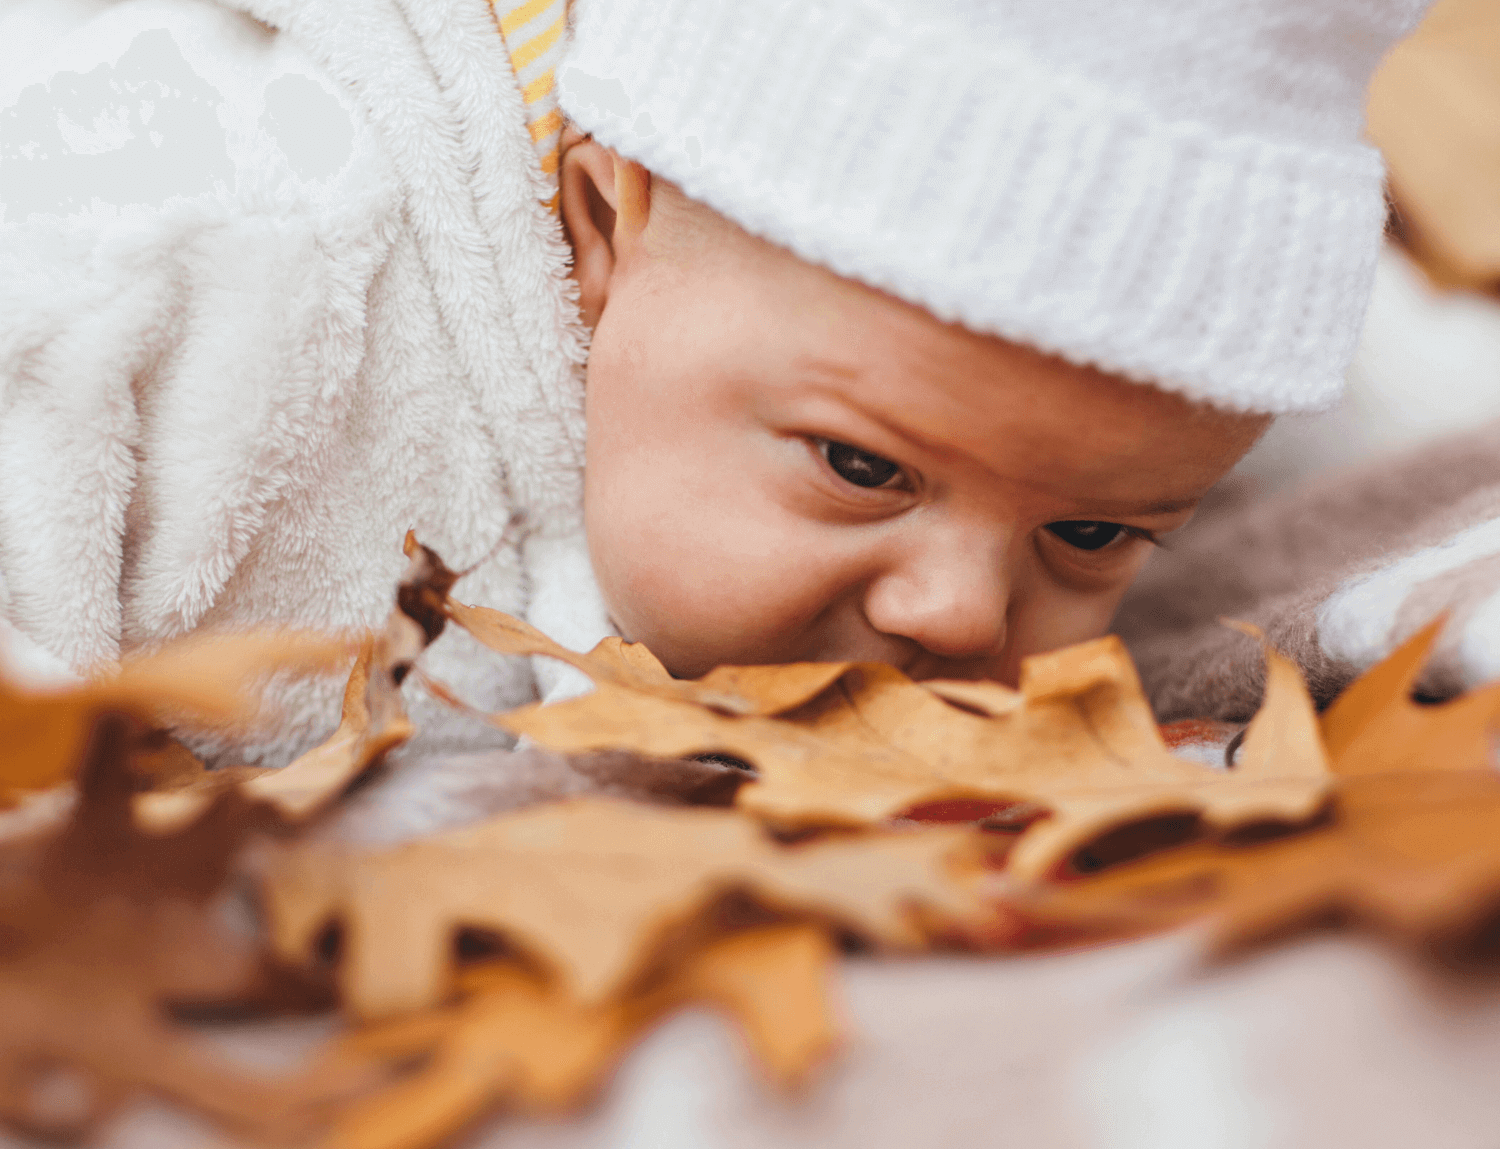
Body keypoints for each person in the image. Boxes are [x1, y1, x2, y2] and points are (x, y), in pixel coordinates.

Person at [0, 0, 1428, 761]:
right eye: (861, 467)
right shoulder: (194, 269)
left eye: (1094, 534)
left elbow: (1419, 420)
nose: (958, 615)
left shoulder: (1070, 396)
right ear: (601, 229)